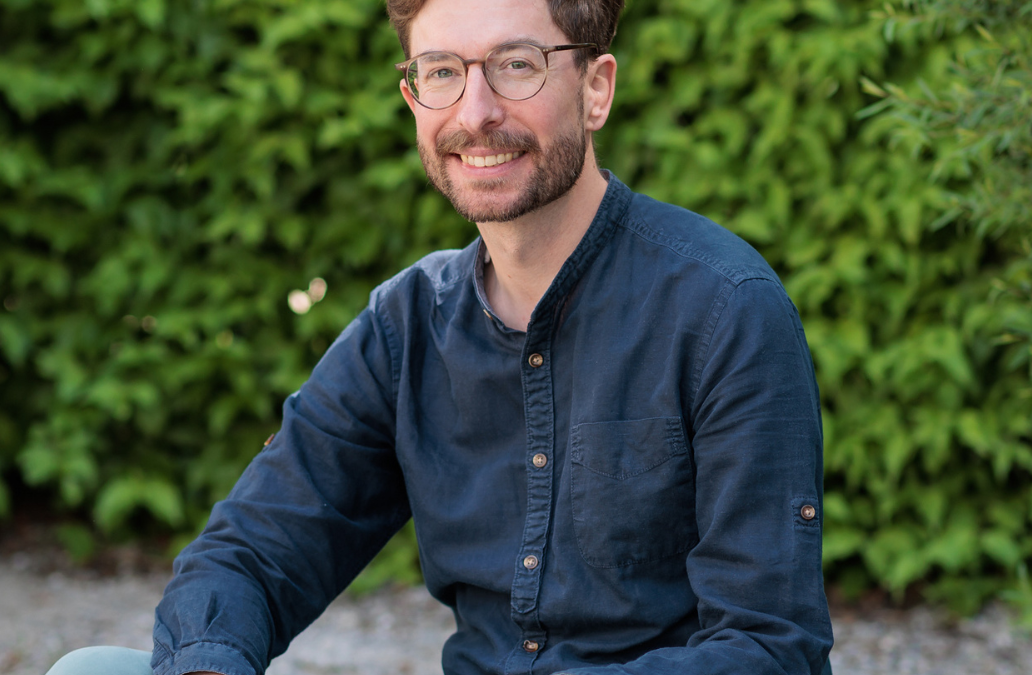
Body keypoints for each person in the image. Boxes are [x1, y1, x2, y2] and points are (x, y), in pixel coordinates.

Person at [47, 0, 833, 673]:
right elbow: (250, 554)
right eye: (442, 71)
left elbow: (770, 647)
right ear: (412, 95)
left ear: (596, 88)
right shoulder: (406, 326)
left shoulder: (725, 310)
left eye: (517, 65)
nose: (475, 111)